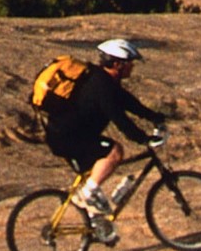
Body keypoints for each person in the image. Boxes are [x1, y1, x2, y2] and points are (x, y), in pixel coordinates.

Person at [33, 38, 167, 232]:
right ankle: (86, 195)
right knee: (115, 152)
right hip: (67, 138)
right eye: (130, 63)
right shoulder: (101, 86)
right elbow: (119, 119)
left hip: (66, 134)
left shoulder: (104, 80)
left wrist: (155, 117)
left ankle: (97, 224)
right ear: (118, 64)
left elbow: (128, 102)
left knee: (97, 172)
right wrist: (143, 139)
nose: (132, 67)